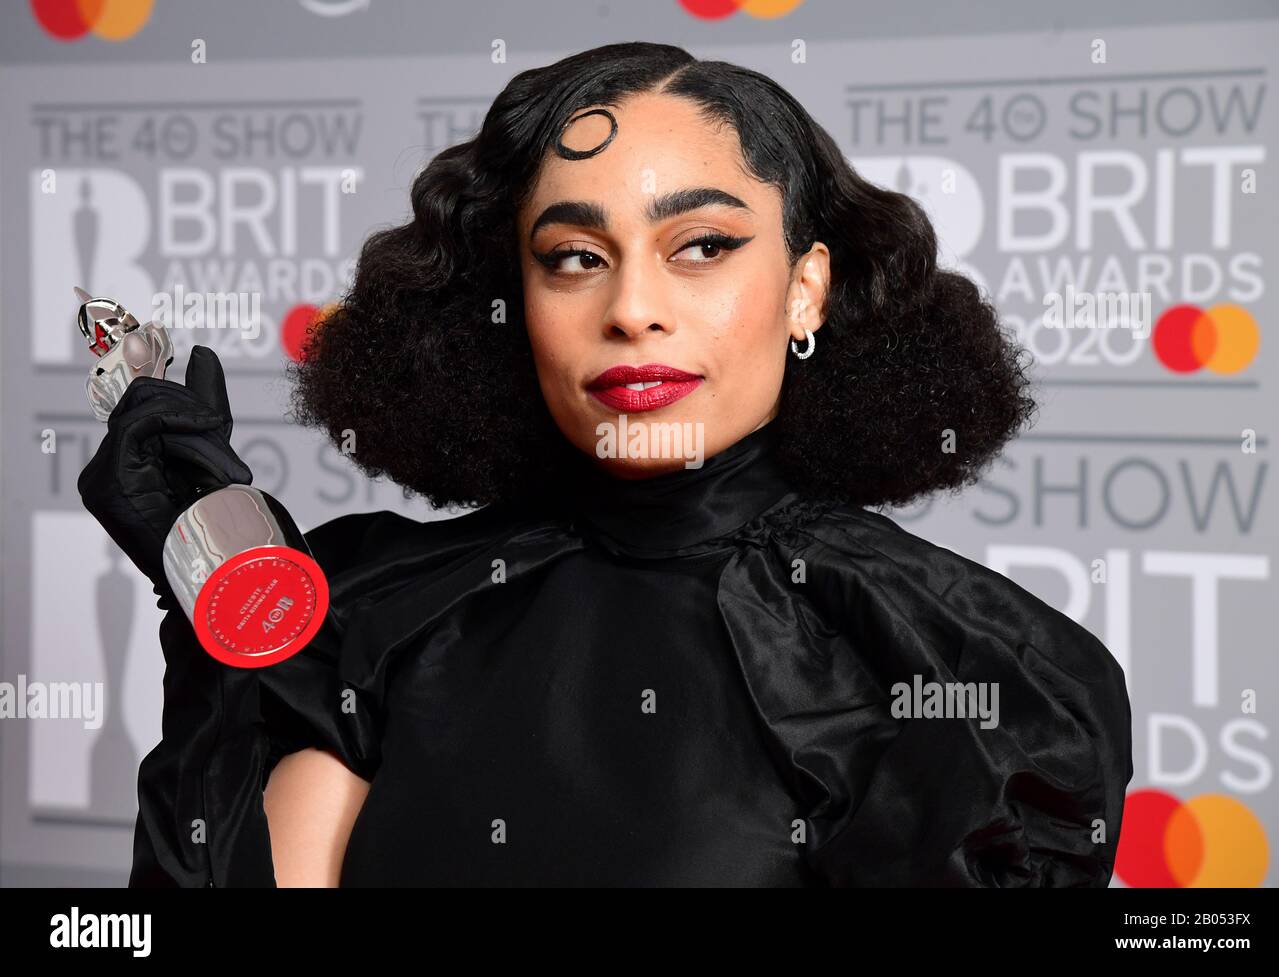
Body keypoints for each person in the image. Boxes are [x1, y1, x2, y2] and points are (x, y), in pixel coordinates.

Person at [79, 41, 1133, 887]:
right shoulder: (374, 620)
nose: (632, 307)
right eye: (574, 257)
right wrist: (214, 562)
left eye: (704, 245)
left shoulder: (964, 670)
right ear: (515, 297)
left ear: (807, 288)